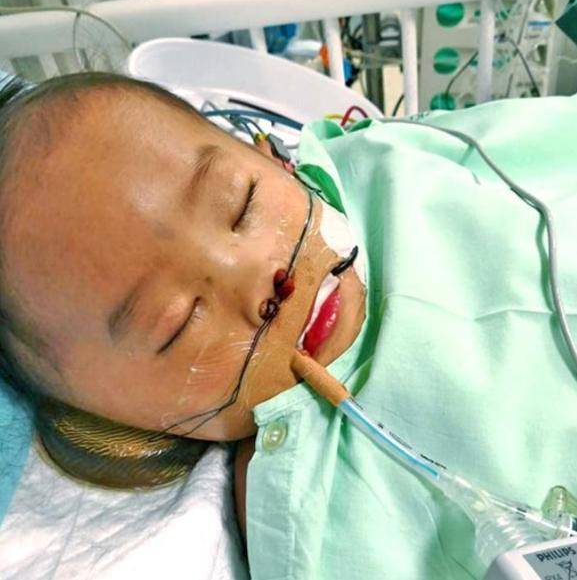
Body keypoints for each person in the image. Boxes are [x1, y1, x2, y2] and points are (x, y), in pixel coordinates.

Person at [1, 71, 577, 579]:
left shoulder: (394, 162)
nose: (263, 282)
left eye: (242, 204)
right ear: (120, 426)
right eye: (175, 322)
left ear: (271, 157)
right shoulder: (312, 520)